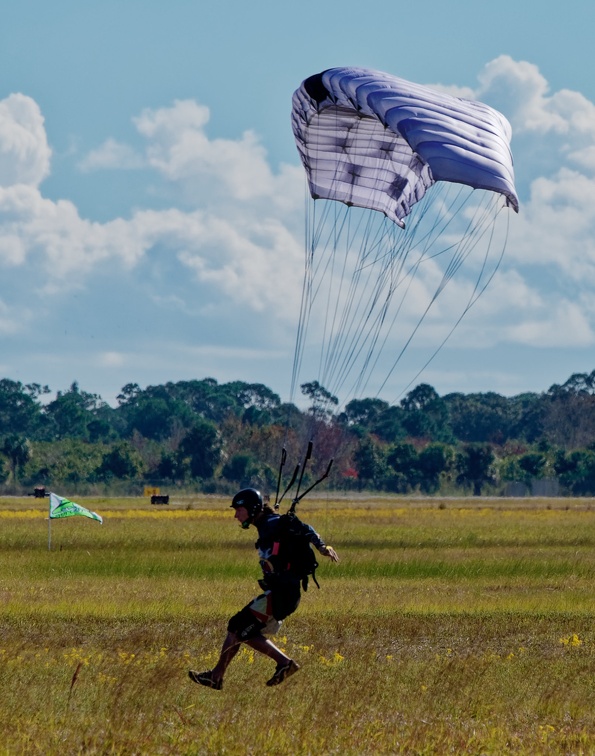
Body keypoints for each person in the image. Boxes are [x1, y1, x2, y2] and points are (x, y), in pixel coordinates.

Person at [189, 487, 339, 689]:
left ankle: (285, 663)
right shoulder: (265, 525)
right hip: (279, 592)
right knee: (237, 628)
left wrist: (322, 547)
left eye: (239, 510)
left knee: (238, 627)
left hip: (284, 592)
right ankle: (216, 677)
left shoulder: (272, 523)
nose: (235, 515)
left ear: (251, 509)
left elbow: (305, 528)